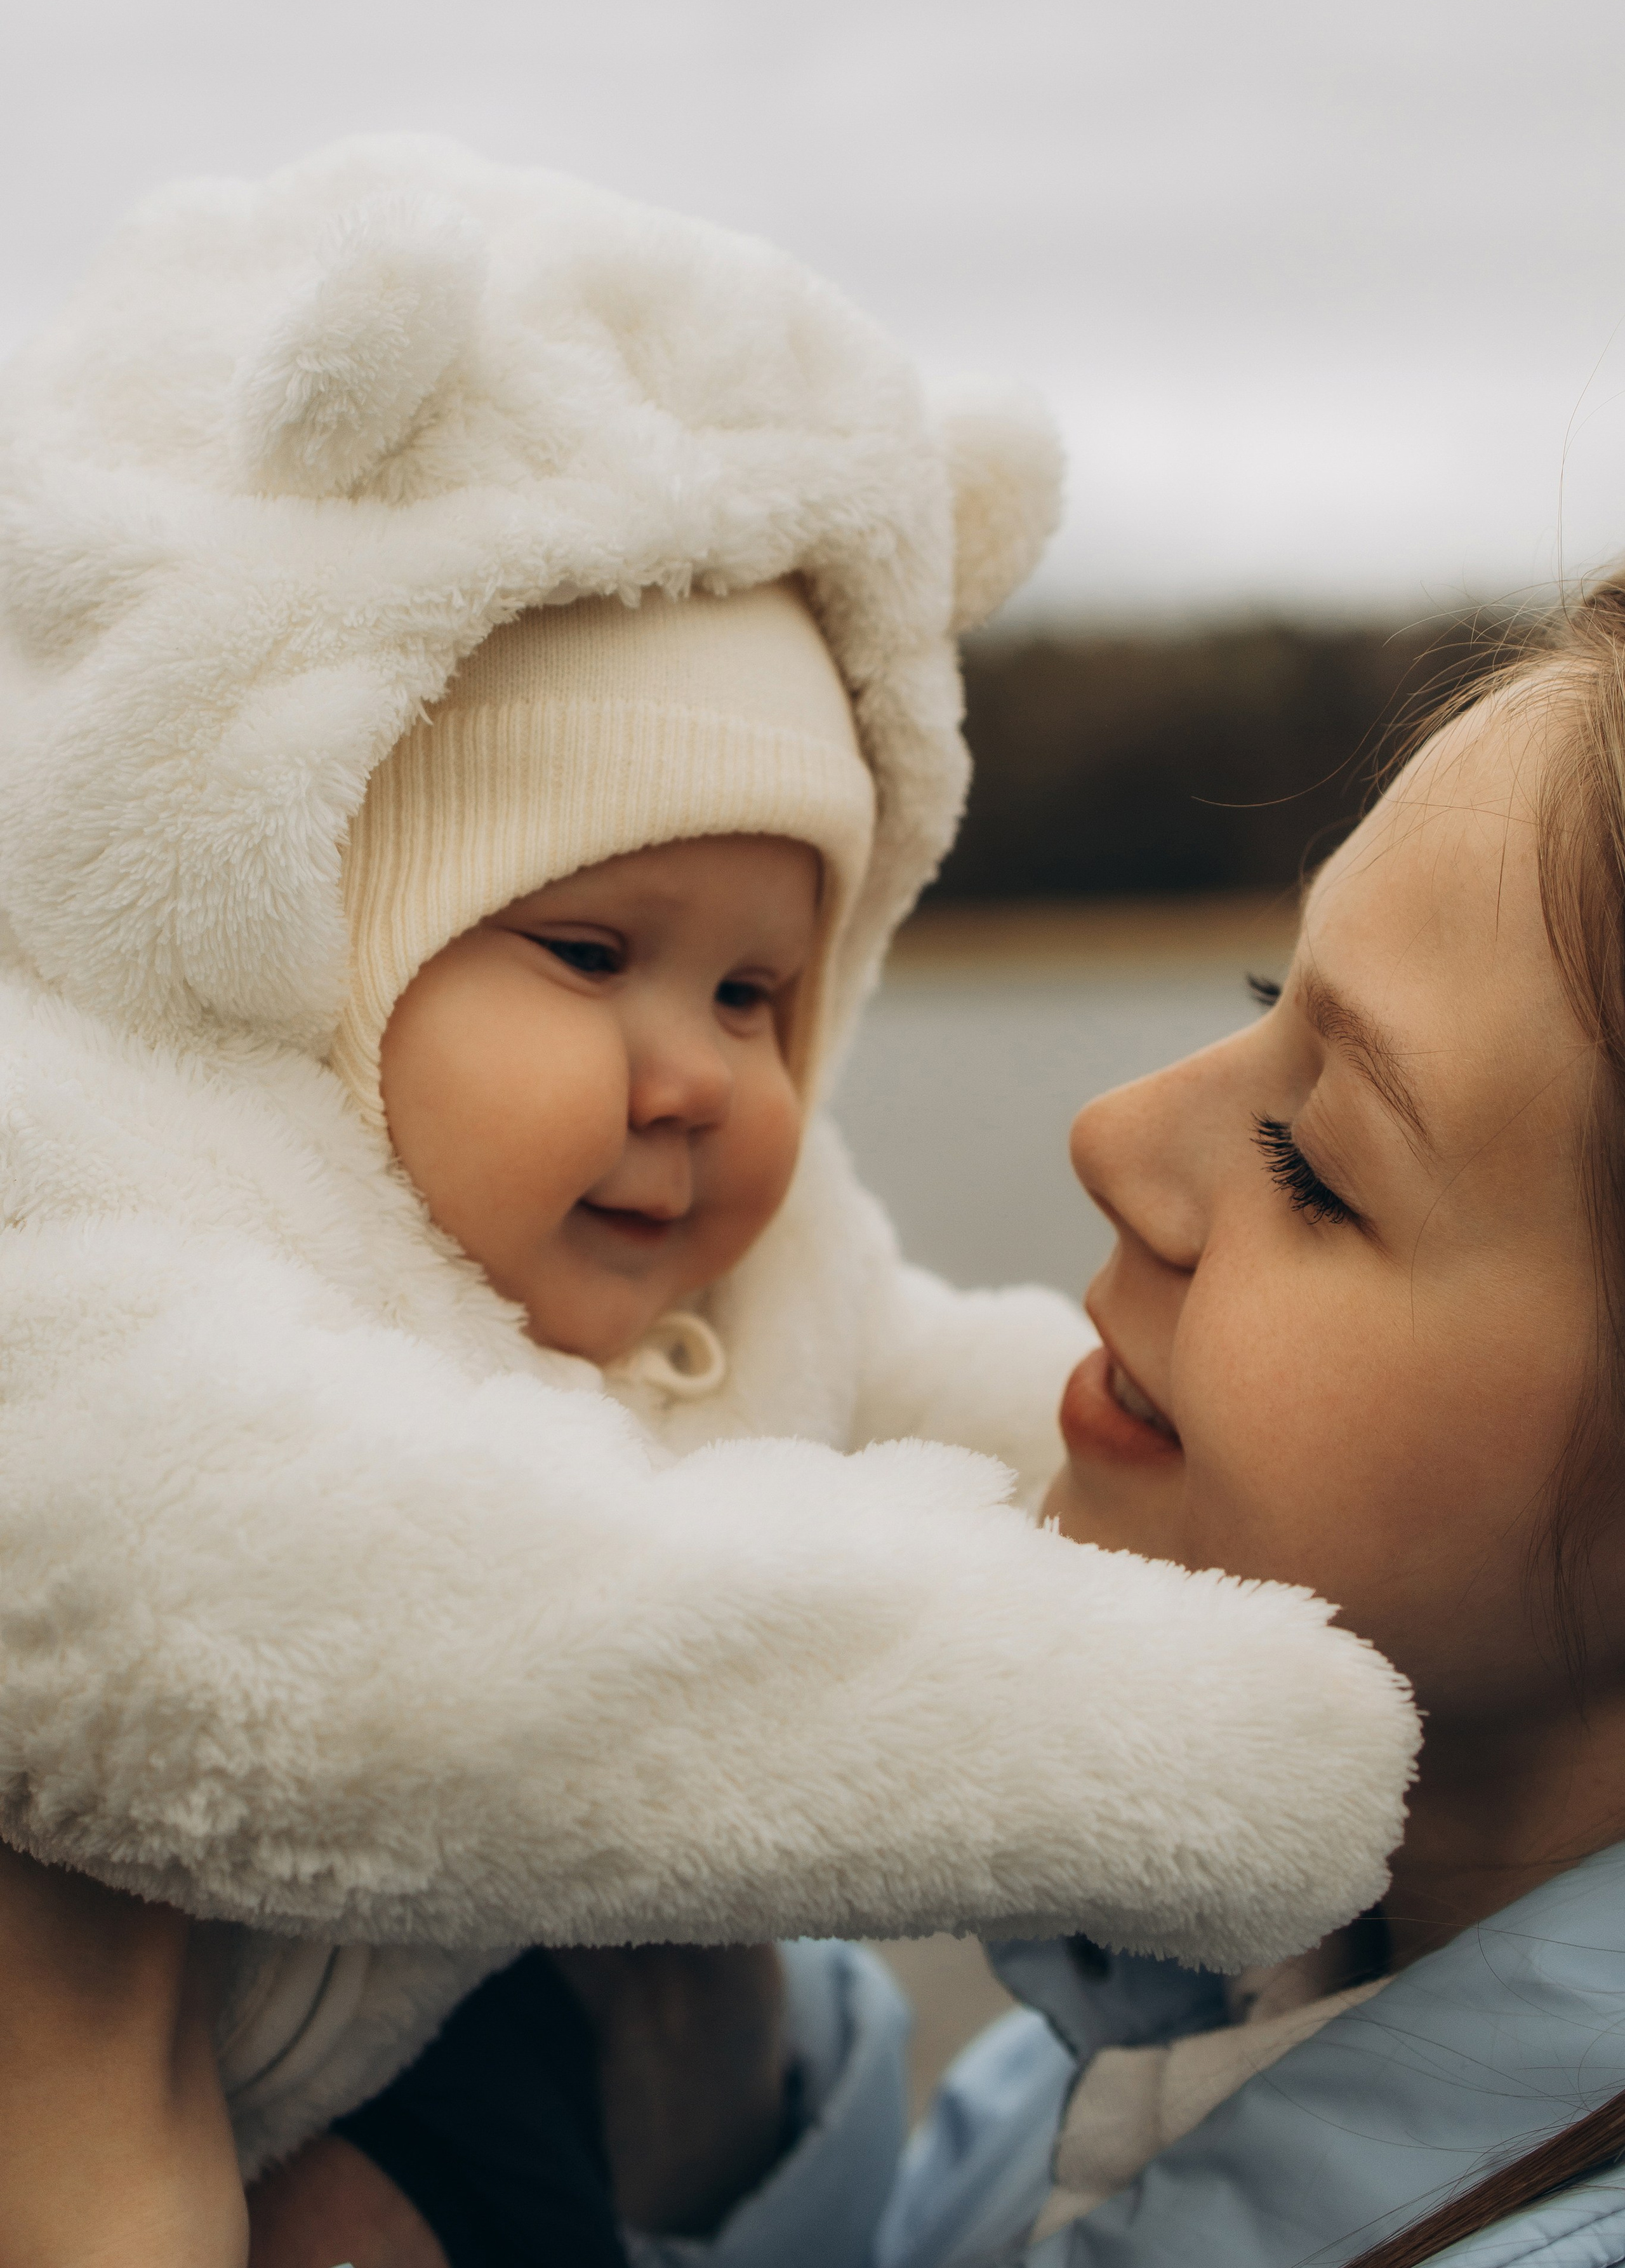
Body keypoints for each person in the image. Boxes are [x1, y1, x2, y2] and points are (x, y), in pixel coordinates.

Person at [0, 137, 1415, 2262]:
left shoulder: (751, 1240)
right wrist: (1170, 1737)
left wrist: (1326, 1540)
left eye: (761, 991)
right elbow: (447, 1657)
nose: (696, 1075)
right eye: (586, 956)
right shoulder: (110, 1221)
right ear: (327, 946)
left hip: (406, 2057)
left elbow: (982, 1401)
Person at [549, 591, 1625, 2268]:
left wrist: (111, 2194)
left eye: (1319, 1165)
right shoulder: (1206, 1993)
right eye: (1269, 991)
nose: (1114, 1135)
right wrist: (701, 2061)